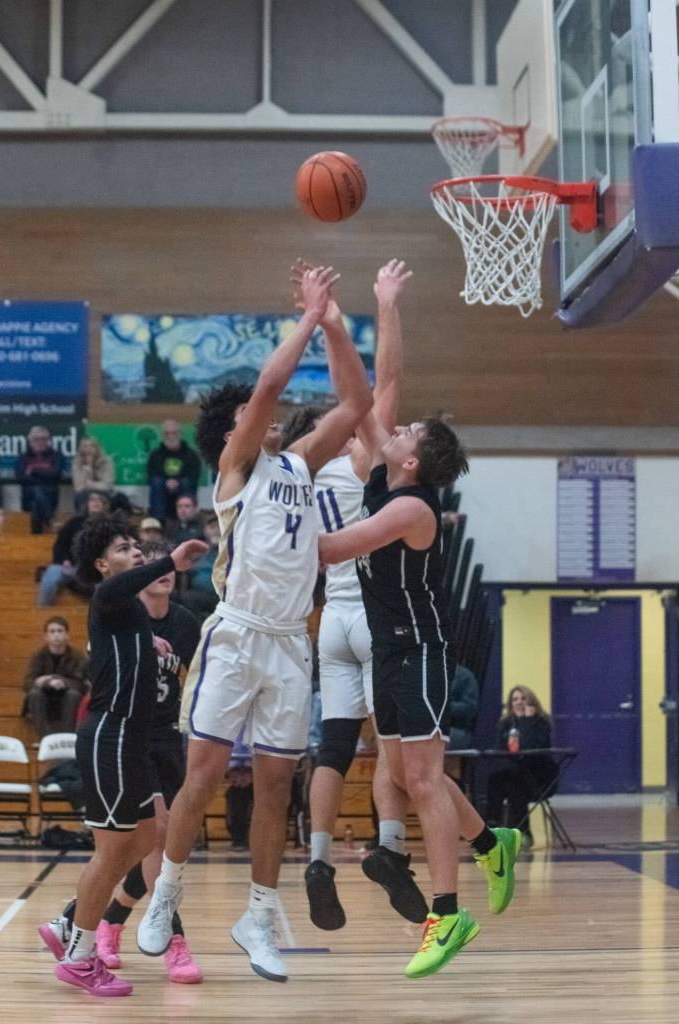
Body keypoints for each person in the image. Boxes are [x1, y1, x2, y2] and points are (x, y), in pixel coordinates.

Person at [137, 264, 373, 984]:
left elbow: (357, 400)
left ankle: (261, 912)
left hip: (288, 645)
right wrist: (303, 317)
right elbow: (268, 388)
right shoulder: (237, 469)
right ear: (235, 426)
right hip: (235, 635)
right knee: (203, 776)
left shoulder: (300, 465)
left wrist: (333, 320)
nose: (270, 410)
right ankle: (167, 893)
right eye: (253, 409)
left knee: (276, 786)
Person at [319, 414, 521, 980]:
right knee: (407, 776)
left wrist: (265, 529)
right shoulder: (387, 478)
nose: (397, 428)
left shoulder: (412, 507)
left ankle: (448, 915)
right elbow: (358, 401)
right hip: (386, 653)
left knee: (425, 779)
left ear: (411, 461)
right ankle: (490, 841)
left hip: (421, 653)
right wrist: (332, 323)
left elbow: (331, 549)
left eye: (408, 432)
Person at [297, 259, 430, 933]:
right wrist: (385, 304)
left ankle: (318, 859)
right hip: (376, 619)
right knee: (390, 748)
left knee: (333, 748)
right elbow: (391, 377)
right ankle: (388, 849)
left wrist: (323, 320)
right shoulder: (367, 458)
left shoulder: (305, 468)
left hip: (329, 617)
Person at [37, 512, 206, 997]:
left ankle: (71, 923)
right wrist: (170, 559)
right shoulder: (107, 596)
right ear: (101, 564)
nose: (134, 551)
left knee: (143, 839)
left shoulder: (132, 612)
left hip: (135, 739)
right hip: (110, 734)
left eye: (136, 544)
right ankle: (81, 956)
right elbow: (125, 587)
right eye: (123, 548)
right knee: (113, 849)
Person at [93, 540, 203, 983]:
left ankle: (106, 921)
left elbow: (199, 680)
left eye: (168, 567)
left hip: (172, 739)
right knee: (157, 841)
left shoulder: (186, 622)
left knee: (168, 851)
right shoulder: (124, 616)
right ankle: (176, 944)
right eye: (153, 565)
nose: (162, 572)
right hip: (134, 737)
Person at [486, 685, 557, 847]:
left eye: (523, 698)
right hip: (514, 774)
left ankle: (520, 833)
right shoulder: (505, 723)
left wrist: (527, 721)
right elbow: (498, 750)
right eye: (515, 699)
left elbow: (529, 748)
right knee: (495, 779)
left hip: (538, 777)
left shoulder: (540, 722)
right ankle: (493, 828)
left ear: (531, 701)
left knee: (515, 782)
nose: (519, 702)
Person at [37, 491, 111, 606]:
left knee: (105, 585)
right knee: (50, 575)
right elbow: (60, 545)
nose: (95, 502)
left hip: (96, 570)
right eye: (92, 499)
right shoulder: (74, 523)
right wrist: (64, 561)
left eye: (99, 500)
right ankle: (42, 610)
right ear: (87, 503)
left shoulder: (109, 526)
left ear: (104, 504)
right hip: (70, 566)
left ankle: (99, 617)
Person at [23, 617, 88, 738]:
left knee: (73, 695)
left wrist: (64, 682)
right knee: (34, 694)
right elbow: (27, 682)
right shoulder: (38, 655)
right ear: (46, 636)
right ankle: (45, 738)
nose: (56, 635)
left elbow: (82, 684)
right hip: (44, 699)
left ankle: (67, 737)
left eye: (60, 631)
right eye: (52, 632)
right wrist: (40, 682)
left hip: (67, 699)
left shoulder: (77, 656)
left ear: (67, 635)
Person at [147, 420, 201, 521]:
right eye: (167, 433)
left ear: (180, 434)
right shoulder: (155, 455)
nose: (171, 436)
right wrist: (167, 482)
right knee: (156, 482)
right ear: (162, 435)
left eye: (174, 433)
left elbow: (194, 476)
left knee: (186, 483)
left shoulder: (191, 455)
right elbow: (151, 475)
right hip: (162, 488)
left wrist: (177, 482)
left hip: (183, 487)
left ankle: (186, 520)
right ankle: (159, 521)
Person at [16, 425, 63, 534]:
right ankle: (51, 521)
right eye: (36, 439)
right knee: (36, 494)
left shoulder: (56, 455)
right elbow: (21, 478)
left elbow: (55, 475)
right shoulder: (23, 457)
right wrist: (45, 476)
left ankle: (35, 543)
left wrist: (33, 472)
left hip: (50, 496)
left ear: (48, 441)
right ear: (30, 441)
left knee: (36, 505)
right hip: (28, 498)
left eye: (43, 439)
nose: (40, 442)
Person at [172, 515, 219, 622]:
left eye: (219, 526)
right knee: (185, 597)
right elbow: (184, 570)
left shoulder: (232, 548)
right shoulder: (196, 550)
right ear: (205, 531)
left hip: (223, 595)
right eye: (212, 527)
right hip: (198, 594)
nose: (216, 531)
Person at [72, 437, 115, 514]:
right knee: (81, 496)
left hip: (103, 492)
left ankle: (102, 521)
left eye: (91, 446)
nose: (88, 449)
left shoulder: (106, 461)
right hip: (84, 494)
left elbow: (107, 485)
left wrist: (90, 484)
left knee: (98, 498)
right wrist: (88, 469)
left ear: (97, 448)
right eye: (85, 446)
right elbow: (78, 487)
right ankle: (82, 521)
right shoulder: (77, 462)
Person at [447, 664, 479, 751]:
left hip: (456, 729)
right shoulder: (430, 675)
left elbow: (470, 709)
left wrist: (445, 707)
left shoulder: (464, 676)